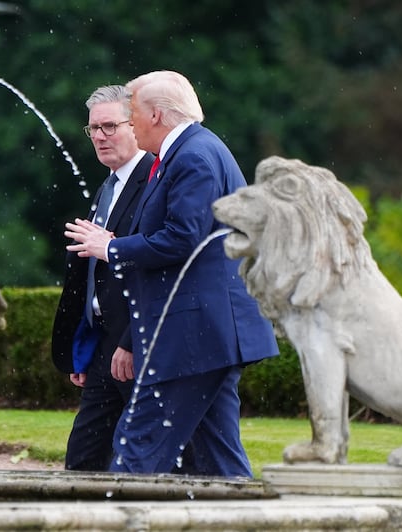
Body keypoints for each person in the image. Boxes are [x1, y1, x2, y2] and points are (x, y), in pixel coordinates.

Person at [64, 70, 278, 477]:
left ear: (157, 115)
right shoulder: (193, 151)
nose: (129, 122)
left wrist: (109, 247)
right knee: (220, 461)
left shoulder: (194, 156)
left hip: (194, 336)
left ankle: (111, 520)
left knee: (137, 446)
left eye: (131, 113)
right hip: (207, 333)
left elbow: (182, 239)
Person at [51, 85, 153, 471]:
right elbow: (93, 276)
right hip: (102, 347)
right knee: (82, 461)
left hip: (136, 344)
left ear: (135, 126)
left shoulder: (155, 179)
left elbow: (156, 264)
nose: (99, 136)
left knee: (147, 461)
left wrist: (129, 341)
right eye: (93, 128)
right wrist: (83, 346)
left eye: (109, 126)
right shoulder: (109, 185)